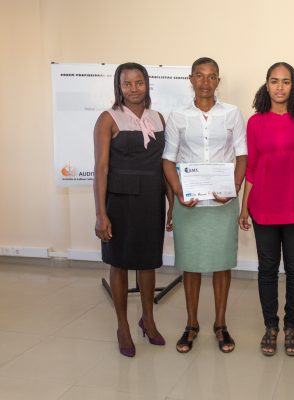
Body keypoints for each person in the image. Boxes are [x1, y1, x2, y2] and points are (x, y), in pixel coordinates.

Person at [239, 62, 294, 357]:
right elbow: (252, 167)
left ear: (293, 85)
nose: (279, 87)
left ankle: (291, 327)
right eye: (274, 81)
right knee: (266, 269)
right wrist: (244, 207)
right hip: (262, 207)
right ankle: (270, 326)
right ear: (266, 85)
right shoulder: (255, 122)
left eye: (285, 81)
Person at [162, 57, 247, 354]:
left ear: (218, 81)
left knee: (222, 264)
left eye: (212, 76)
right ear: (191, 79)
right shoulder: (178, 116)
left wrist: (233, 189)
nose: (205, 82)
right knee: (192, 265)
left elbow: (242, 156)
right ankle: (192, 324)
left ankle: (220, 324)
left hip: (223, 203)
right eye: (200, 75)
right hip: (189, 204)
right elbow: (168, 160)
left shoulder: (232, 113)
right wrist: (178, 192)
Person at [93, 62, 172, 357]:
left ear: (147, 84)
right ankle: (123, 326)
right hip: (121, 202)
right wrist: (101, 214)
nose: (134, 89)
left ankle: (148, 320)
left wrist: (172, 203)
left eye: (139, 82)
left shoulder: (157, 117)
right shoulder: (108, 118)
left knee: (149, 262)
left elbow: (164, 165)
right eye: (127, 83)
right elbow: (101, 168)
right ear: (119, 87)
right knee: (120, 262)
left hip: (152, 198)